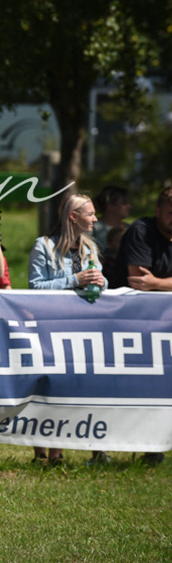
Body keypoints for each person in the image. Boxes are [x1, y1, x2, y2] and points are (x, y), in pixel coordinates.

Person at [28, 193, 108, 466]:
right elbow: (35, 286)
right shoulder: (44, 246)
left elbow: (100, 283)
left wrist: (100, 280)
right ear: (73, 217)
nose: (95, 219)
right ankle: (41, 455)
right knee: (47, 387)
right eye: (90, 214)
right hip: (50, 329)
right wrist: (75, 279)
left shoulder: (90, 249)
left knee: (75, 388)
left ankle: (59, 453)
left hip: (83, 328)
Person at [108, 186, 172, 466]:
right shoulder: (141, 231)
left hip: (163, 325)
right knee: (137, 388)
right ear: (158, 211)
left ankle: (155, 447)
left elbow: (151, 283)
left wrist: (159, 283)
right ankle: (116, 449)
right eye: (170, 212)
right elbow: (138, 281)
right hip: (131, 324)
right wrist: (157, 286)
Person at [91, 185, 131, 265]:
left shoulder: (131, 229)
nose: (129, 207)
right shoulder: (92, 228)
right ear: (110, 206)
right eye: (124, 203)